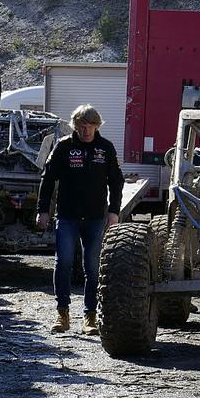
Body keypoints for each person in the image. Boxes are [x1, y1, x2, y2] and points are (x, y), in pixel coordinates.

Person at [37, 105, 123, 335]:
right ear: (75, 126)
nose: (86, 131)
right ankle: (62, 313)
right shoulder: (64, 146)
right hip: (67, 216)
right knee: (63, 263)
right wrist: (43, 210)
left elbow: (116, 181)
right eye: (82, 126)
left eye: (90, 126)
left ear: (97, 126)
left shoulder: (105, 148)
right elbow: (48, 179)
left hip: (95, 218)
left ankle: (90, 317)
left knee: (93, 268)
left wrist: (114, 211)